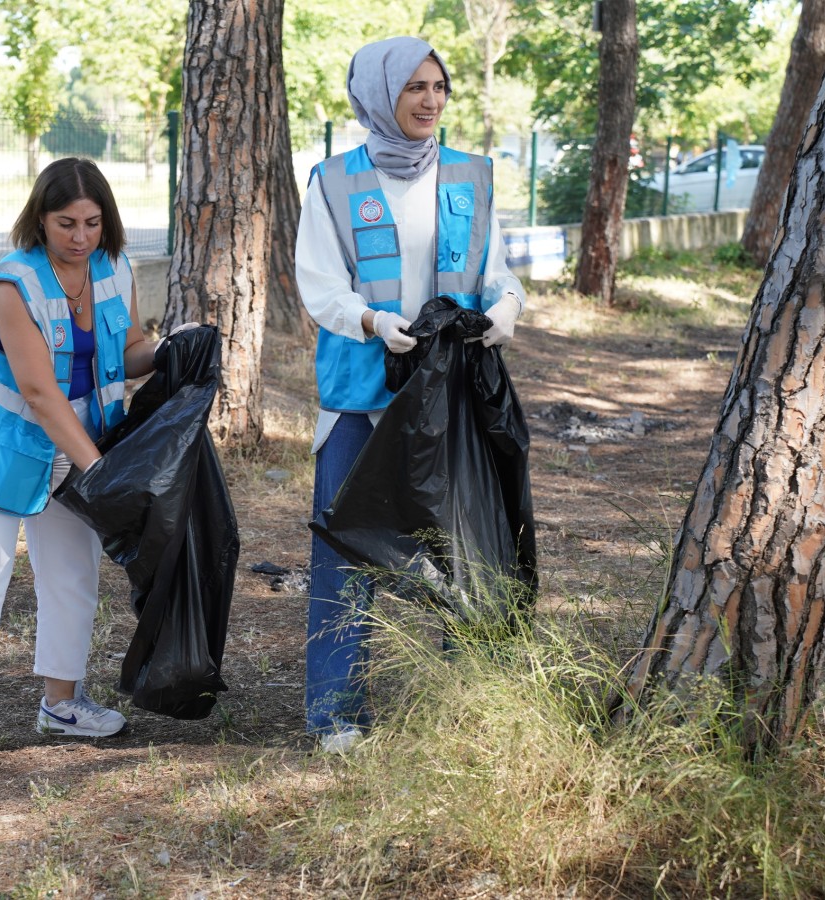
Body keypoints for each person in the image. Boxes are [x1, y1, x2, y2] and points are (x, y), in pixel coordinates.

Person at [295, 37, 526, 754]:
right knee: (346, 549)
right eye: (413, 88)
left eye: (439, 87)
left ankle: (469, 699)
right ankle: (337, 713)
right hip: (361, 396)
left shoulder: (471, 175)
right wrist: (369, 320)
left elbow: (496, 270)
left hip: (448, 397)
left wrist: (507, 308)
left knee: (465, 550)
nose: (429, 101)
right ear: (376, 96)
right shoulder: (334, 182)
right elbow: (319, 283)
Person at [0, 157, 174, 766]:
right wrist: (99, 469)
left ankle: (62, 705)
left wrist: (169, 352)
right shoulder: (13, 286)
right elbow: (38, 391)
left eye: (91, 221)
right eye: (65, 223)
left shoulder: (113, 267)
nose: (80, 237)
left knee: (72, 573)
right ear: (40, 219)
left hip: (73, 444)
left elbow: (129, 349)